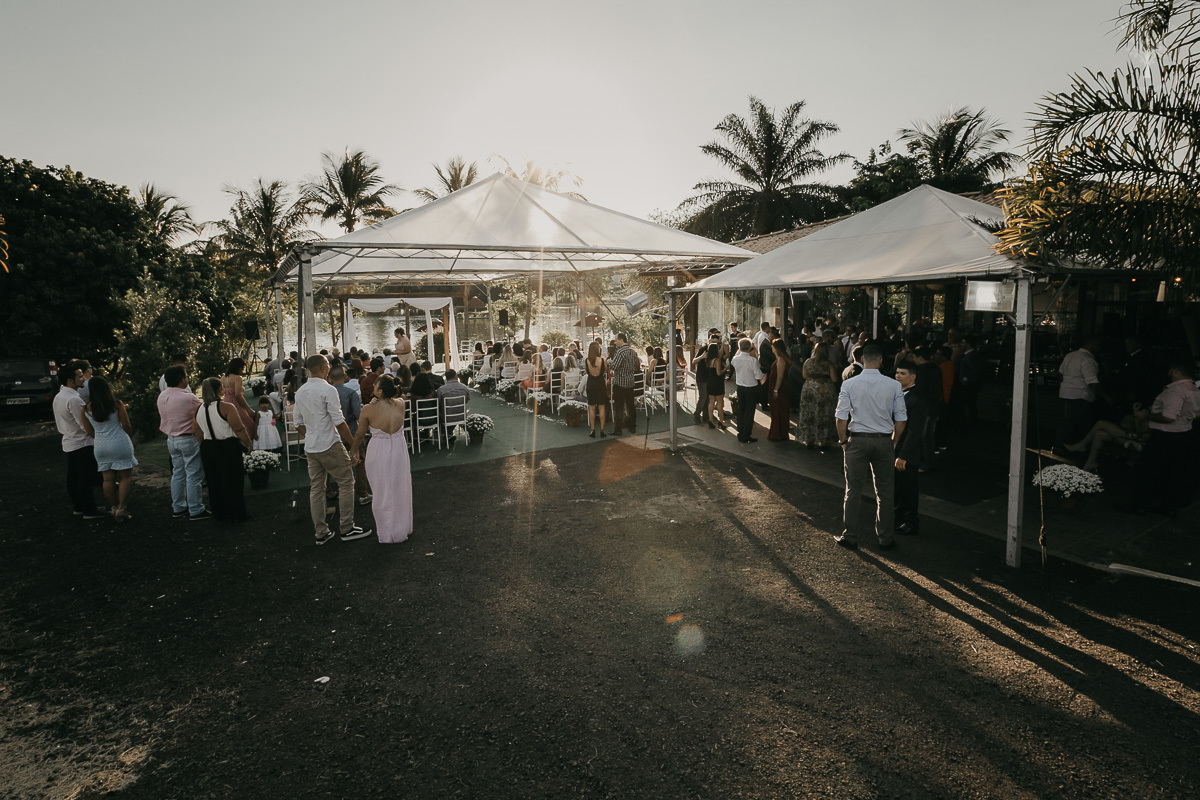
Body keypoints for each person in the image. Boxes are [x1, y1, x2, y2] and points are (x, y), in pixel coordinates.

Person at [834, 345, 907, 551]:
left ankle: (850, 536)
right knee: (885, 492)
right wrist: (893, 441)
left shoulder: (850, 384)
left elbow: (840, 417)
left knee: (853, 490)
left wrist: (842, 442)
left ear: (863, 359)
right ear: (881, 360)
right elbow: (901, 419)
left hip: (857, 440)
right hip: (883, 440)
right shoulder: (894, 385)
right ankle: (885, 538)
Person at [294, 354, 372, 545]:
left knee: (317, 488)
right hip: (330, 444)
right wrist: (354, 446)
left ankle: (321, 532)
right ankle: (347, 527)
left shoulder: (301, 391)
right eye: (327, 365)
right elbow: (339, 421)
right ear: (322, 368)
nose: (329, 367)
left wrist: (312, 434)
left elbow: (297, 423)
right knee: (346, 483)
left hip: (311, 447)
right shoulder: (327, 390)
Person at [1121, 360, 1200, 516]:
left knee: (1147, 470)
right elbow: (1197, 414)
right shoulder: (1194, 389)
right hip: (1183, 434)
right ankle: (1168, 506)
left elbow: (1168, 417)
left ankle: (1138, 505)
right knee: (1172, 472)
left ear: (1176, 370)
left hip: (1165, 435)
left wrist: (1145, 415)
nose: (1169, 371)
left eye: (1171, 368)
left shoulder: (1176, 390)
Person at [352, 375, 413, 543]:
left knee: (382, 490)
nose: (372, 388)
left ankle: (387, 532)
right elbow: (398, 398)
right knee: (400, 486)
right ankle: (402, 527)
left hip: (379, 449)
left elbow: (359, 435)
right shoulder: (401, 403)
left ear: (379, 391)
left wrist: (353, 451)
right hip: (399, 448)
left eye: (375, 386)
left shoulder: (368, 409)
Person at [192, 377, 252, 522]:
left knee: (214, 482)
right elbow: (238, 428)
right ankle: (237, 514)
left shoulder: (198, 409)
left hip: (208, 447)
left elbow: (197, 431)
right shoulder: (226, 407)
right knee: (233, 481)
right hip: (227, 446)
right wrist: (247, 443)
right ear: (220, 389)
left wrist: (203, 447)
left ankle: (220, 513)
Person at [79, 375, 138, 522]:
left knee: (107, 479)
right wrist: (129, 438)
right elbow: (127, 425)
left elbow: (89, 431)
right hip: (119, 442)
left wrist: (100, 437)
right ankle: (122, 508)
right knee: (125, 477)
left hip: (100, 445)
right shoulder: (116, 404)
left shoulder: (85, 409)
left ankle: (113, 507)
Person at [53, 361, 106, 519]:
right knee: (84, 477)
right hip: (82, 442)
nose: (84, 379)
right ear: (70, 380)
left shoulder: (60, 396)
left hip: (69, 440)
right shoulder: (74, 400)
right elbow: (85, 424)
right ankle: (89, 509)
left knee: (74, 476)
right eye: (80, 376)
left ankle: (79, 506)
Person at [157, 365, 208, 520]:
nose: (187, 378)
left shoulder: (162, 396)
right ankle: (195, 508)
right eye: (186, 376)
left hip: (171, 439)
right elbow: (203, 412)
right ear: (181, 379)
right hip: (187, 438)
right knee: (193, 474)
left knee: (178, 473)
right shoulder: (188, 397)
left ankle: (178, 506)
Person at [893, 360, 929, 535]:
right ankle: (897, 519)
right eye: (897, 373)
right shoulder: (897, 393)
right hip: (895, 449)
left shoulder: (917, 399)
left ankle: (911, 522)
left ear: (913, 377)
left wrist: (904, 455)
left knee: (909, 489)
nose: (898, 376)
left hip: (907, 453)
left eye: (903, 373)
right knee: (898, 487)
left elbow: (915, 431)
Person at [798, 342, 838, 449]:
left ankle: (809, 439)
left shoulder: (808, 362)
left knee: (809, 414)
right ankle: (823, 440)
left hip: (809, 390)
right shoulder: (829, 364)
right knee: (824, 414)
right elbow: (834, 379)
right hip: (825, 391)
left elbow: (804, 375)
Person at [731, 338, 764, 443]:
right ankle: (746, 434)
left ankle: (740, 431)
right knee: (749, 411)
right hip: (751, 387)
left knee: (741, 409)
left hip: (740, 386)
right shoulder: (752, 361)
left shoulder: (735, 359)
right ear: (750, 348)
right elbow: (758, 376)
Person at [610, 333, 641, 435]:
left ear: (621, 340)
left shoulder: (620, 352)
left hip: (620, 382)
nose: (615, 342)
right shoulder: (633, 352)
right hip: (630, 381)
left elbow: (614, 366)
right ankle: (632, 426)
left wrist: (608, 362)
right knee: (630, 405)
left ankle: (618, 429)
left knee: (619, 406)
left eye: (616, 340)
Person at [222, 358, 258, 445]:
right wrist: (248, 409)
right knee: (247, 424)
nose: (242, 370)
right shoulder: (237, 378)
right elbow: (238, 395)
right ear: (238, 368)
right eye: (242, 368)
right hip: (235, 404)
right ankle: (247, 445)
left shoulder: (223, 377)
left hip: (225, 402)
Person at [767, 340, 791, 441]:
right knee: (778, 410)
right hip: (778, 387)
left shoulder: (781, 360)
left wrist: (776, 390)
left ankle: (777, 433)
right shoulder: (781, 358)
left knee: (778, 410)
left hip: (779, 389)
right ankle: (780, 432)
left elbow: (780, 377)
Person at [584, 341, 609, 438]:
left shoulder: (587, 360)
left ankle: (592, 430)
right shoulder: (602, 360)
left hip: (591, 384)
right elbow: (606, 370)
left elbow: (586, 371)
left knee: (592, 407)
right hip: (600, 384)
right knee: (601, 407)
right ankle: (602, 430)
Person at [703, 342, 728, 429]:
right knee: (720, 402)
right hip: (717, 382)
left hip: (710, 382)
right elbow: (718, 373)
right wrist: (725, 368)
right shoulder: (717, 360)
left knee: (711, 401)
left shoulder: (708, 360)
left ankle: (710, 420)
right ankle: (721, 422)